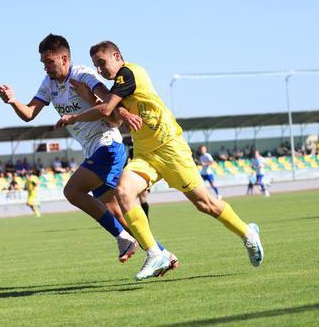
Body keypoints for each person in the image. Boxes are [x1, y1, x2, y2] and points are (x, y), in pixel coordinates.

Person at [56, 40, 263, 280]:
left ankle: (248, 233)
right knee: (123, 191)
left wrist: (73, 117)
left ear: (117, 55)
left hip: (170, 149)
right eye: (96, 66)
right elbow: (114, 117)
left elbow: (106, 110)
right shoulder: (117, 86)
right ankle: (156, 254)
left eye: (102, 63)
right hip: (145, 154)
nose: (100, 70)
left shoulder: (129, 73)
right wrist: (91, 99)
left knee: (205, 204)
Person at [0, 34, 176, 265]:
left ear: (64, 58)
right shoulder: (49, 84)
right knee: (117, 214)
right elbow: (30, 114)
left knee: (72, 191)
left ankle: (123, 239)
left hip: (108, 145)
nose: (45, 68)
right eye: (42, 63)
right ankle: (163, 254)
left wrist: (119, 112)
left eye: (49, 62)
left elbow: (110, 104)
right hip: (93, 151)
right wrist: (12, 101)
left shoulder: (83, 75)